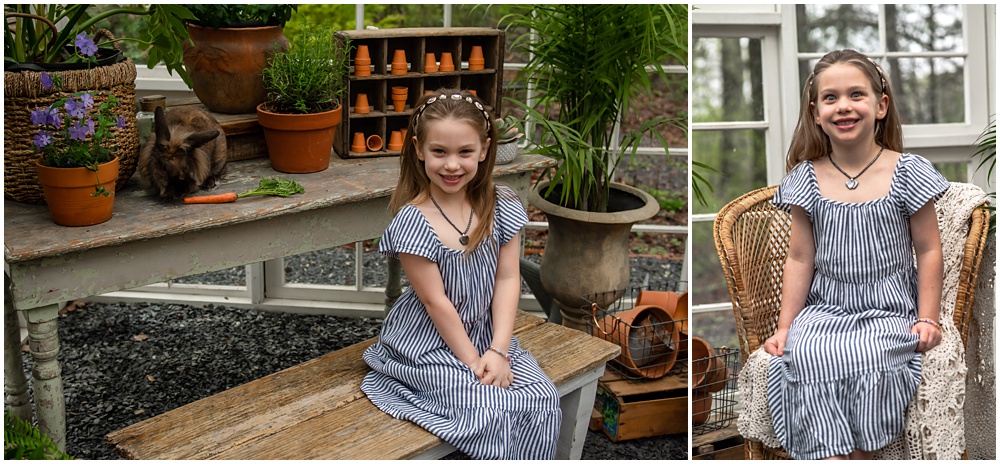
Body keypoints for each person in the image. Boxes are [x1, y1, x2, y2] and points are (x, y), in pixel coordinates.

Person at [762, 49, 948, 460]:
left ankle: (863, 452)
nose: (843, 106)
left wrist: (928, 317)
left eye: (856, 95)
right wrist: (785, 327)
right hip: (826, 308)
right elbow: (799, 258)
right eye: (830, 98)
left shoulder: (908, 171)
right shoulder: (805, 178)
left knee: (869, 356)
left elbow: (929, 248)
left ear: (881, 106)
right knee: (806, 355)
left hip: (888, 308)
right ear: (815, 113)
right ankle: (830, 455)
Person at [360, 89, 561, 459]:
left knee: (541, 398)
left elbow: (507, 279)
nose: (452, 165)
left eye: (464, 152)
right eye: (440, 152)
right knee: (488, 409)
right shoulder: (412, 222)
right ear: (418, 149)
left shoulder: (501, 205)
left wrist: (498, 350)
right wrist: (474, 363)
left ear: (484, 150)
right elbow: (435, 303)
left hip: (486, 331)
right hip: (428, 341)